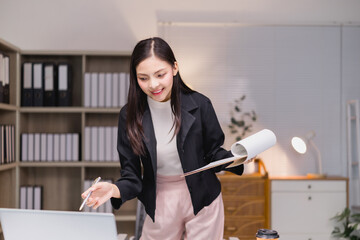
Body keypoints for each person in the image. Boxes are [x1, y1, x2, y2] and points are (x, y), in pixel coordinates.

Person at [81, 37, 250, 240]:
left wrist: (237, 157)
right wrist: (114, 189)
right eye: (143, 78)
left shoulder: (201, 104)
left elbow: (213, 153)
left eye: (160, 74)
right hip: (160, 197)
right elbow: (132, 176)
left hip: (203, 197)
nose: (153, 84)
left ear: (175, 68)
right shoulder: (129, 115)